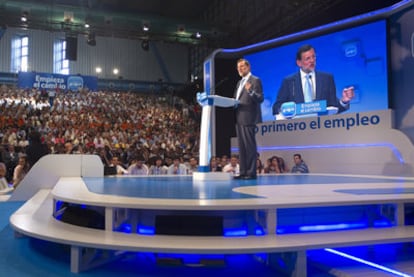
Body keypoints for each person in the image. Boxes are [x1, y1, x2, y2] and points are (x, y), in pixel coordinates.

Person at [272, 44, 355, 117]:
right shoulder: (289, 81)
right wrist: (289, 110)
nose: (312, 61)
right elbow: (276, 107)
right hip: (298, 129)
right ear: (299, 63)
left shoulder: (327, 78)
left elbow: (333, 107)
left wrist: (344, 101)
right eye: (307, 58)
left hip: (322, 129)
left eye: (313, 57)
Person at [233, 58, 264, 180]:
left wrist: (250, 91)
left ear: (248, 67)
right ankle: (243, 171)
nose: (240, 69)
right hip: (239, 117)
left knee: (249, 146)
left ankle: (251, 172)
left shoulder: (255, 80)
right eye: (238, 67)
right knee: (242, 147)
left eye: (242, 66)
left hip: (249, 117)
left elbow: (260, 98)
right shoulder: (239, 83)